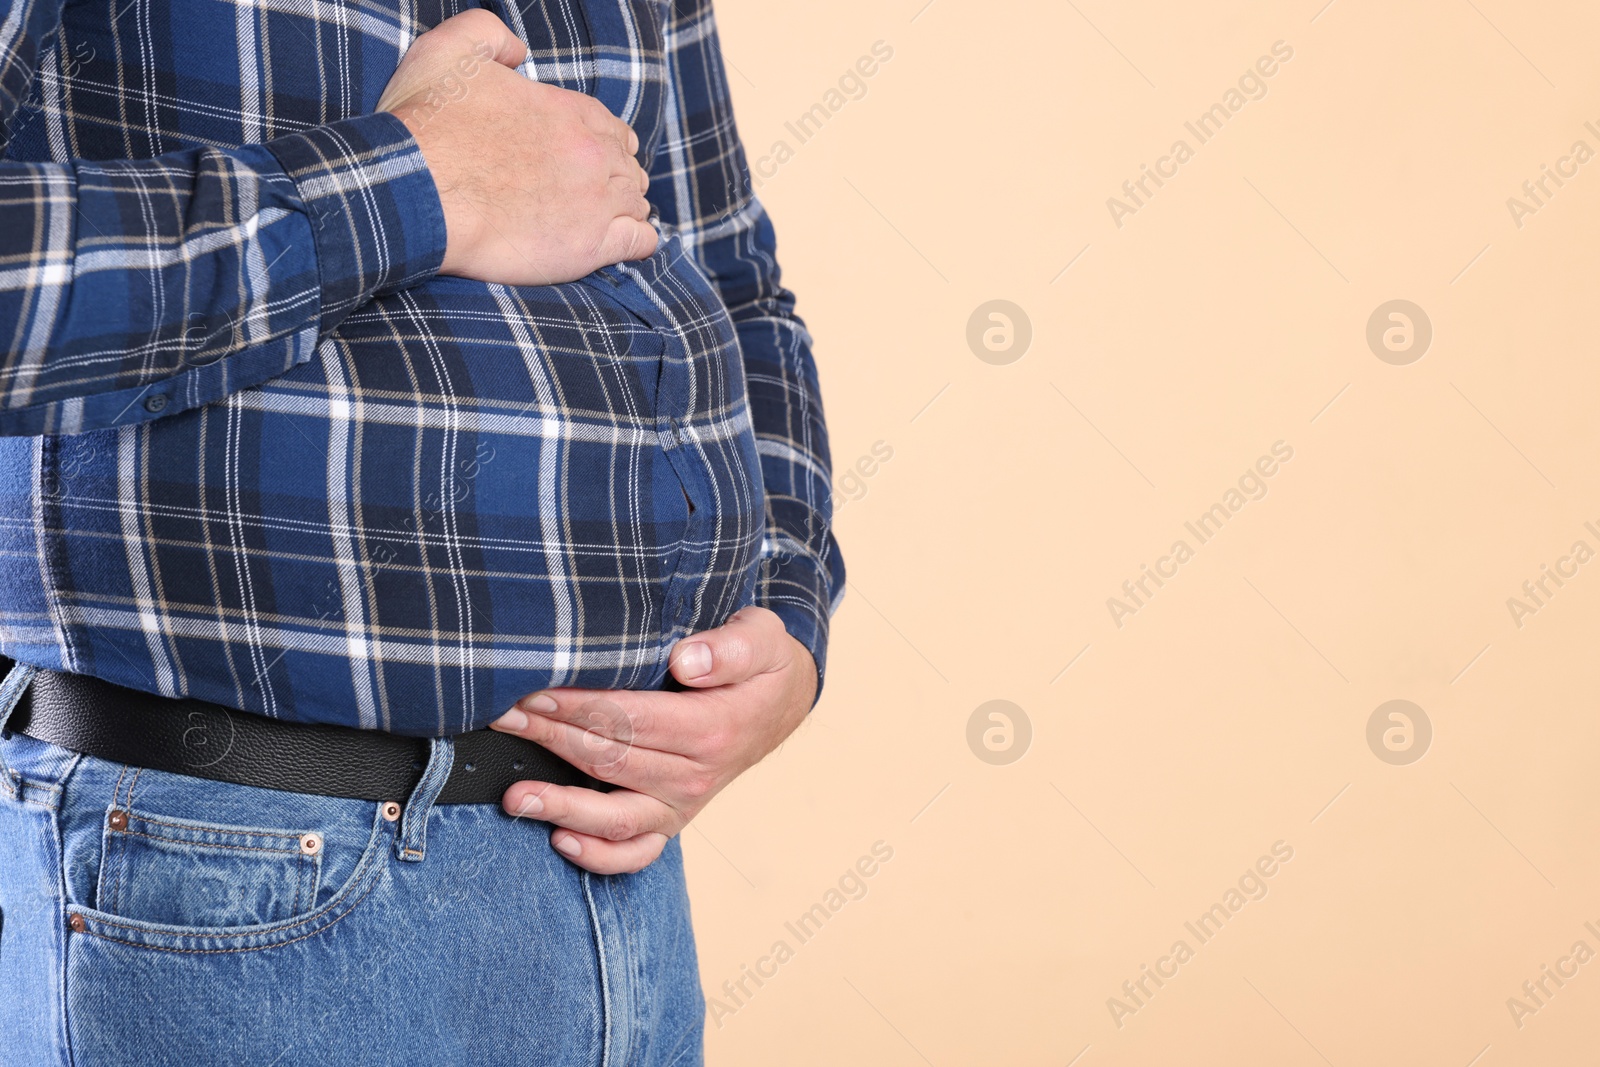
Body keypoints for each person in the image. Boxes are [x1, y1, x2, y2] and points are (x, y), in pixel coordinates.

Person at [0, 1, 843, 1063]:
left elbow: (734, 284)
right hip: (236, 857)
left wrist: (787, 611)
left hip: (609, 887)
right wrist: (413, 183)